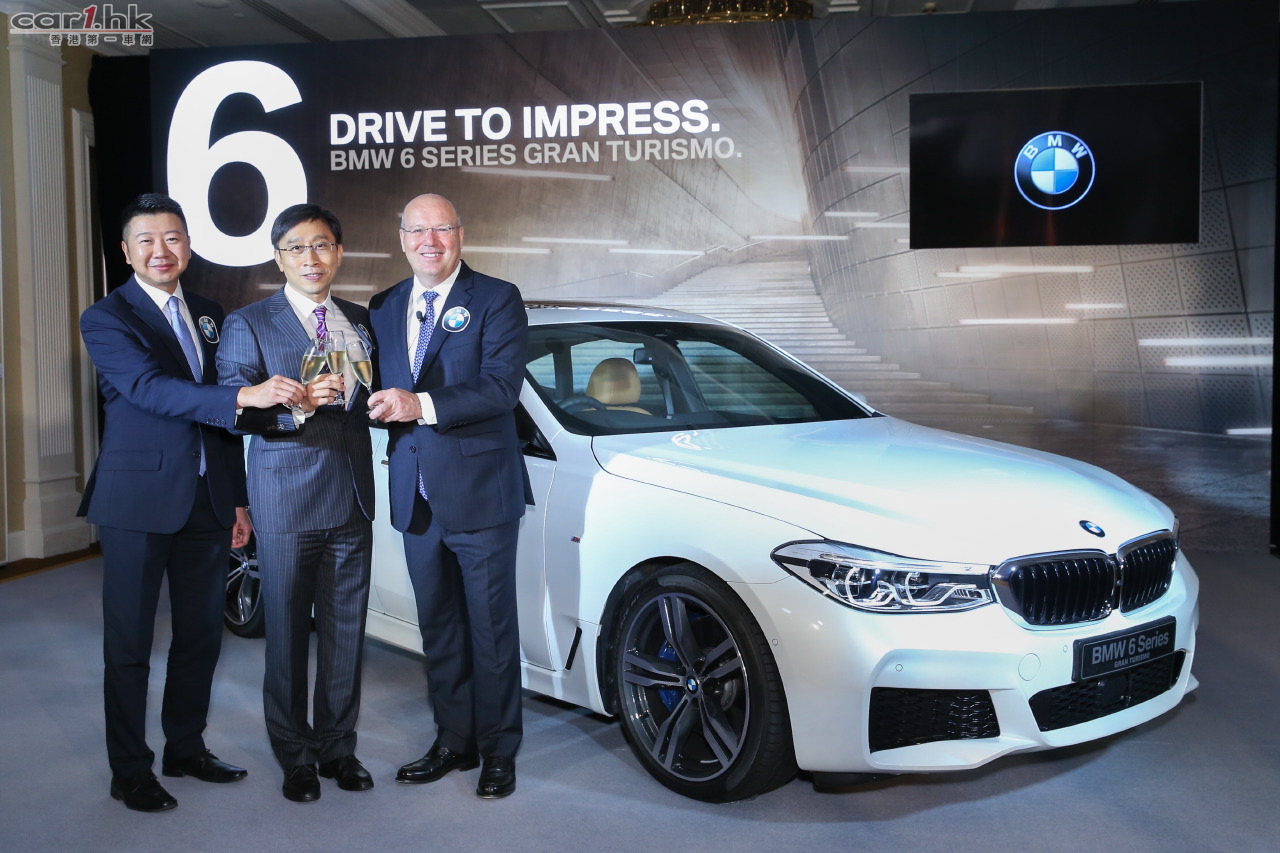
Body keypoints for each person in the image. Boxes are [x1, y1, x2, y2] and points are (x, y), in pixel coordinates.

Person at [79, 193, 306, 812]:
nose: (162, 250)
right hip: (136, 502)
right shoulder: (106, 317)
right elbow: (151, 390)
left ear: (188, 244)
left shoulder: (208, 311)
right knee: (129, 645)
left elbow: (222, 417)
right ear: (126, 251)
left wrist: (237, 501)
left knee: (202, 635)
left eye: (173, 238)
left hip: (208, 501)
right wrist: (246, 397)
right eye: (147, 240)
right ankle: (130, 770)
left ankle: (185, 747)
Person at [367, 193, 530, 799]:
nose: (429, 242)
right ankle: (453, 741)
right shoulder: (384, 306)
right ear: (402, 238)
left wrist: (420, 404)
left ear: (461, 235)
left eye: (441, 230)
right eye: (418, 231)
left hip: (480, 495)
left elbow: (501, 387)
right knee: (438, 630)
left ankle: (498, 751)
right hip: (415, 497)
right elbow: (372, 383)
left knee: (491, 631)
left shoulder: (497, 299)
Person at [216, 204, 377, 804]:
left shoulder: (360, 319)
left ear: (339, 253)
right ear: (278, 257)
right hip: (285, 498)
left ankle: (338, 748)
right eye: (297, 247)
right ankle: (295, 755)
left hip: (352, 496)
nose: (312, 258)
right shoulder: (249, 323)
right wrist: (297, 406)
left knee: (345, 632)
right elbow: (232, 410)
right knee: (284, 633)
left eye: (323, 245)